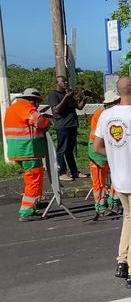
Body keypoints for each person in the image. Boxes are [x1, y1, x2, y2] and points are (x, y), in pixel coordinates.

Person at [93, 77, 131, 288]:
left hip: (119, 178)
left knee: (128, 221)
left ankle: (122, 261)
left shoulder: (106, 115)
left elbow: (97, 147)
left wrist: (116, 153)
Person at [3, 88, 51, 221]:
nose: (36, 105)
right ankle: (27, 210)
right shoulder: (26, 107)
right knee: (33, 180)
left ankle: (34, 202)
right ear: (32, 99)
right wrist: (47, 122)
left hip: (19, 150)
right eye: (37, 102)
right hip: (28, 150)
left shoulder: (14, 107)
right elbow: (39, 121)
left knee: (31, 178)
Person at [88, 90, 121, 215]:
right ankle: (101, 205)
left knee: (116, 177)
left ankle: (113, 201)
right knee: (99, 181)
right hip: (98, 152)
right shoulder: (101, 114)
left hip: (107, 149)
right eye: (117, 101)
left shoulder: (107, 113)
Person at [48, 76, 87, 181]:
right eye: (63, 81)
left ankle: (74, 172)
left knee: (69, 150)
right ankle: (62, 172)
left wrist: (84, 98)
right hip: (62, 126)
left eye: (66, 81)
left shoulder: (69, 94)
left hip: (72, 125)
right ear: (57, 83)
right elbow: (56, 110)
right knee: (61, 149)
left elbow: (79, 107)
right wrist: (66, 97)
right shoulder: (54, 94)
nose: (65, 82)